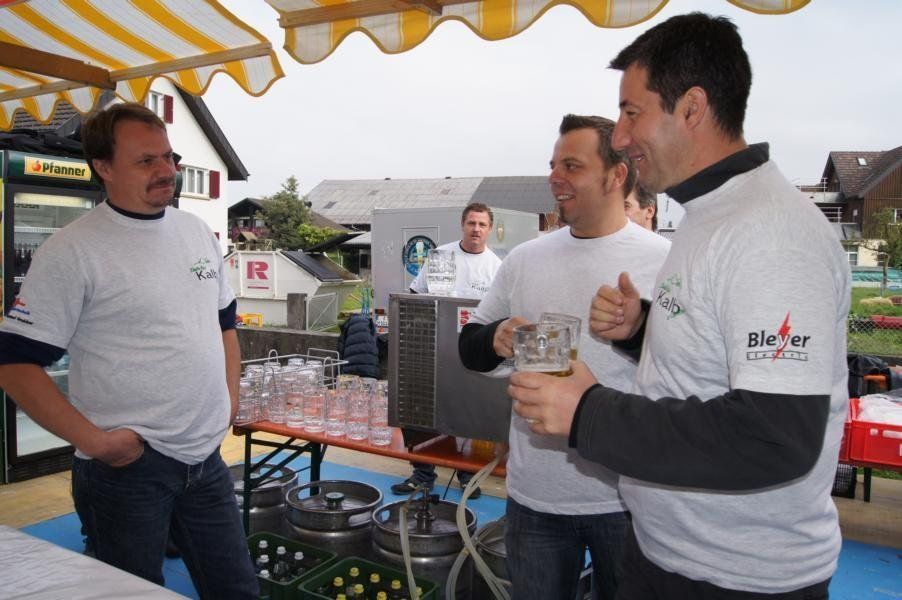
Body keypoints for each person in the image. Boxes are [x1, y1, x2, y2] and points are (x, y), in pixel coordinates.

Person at [508, 13, 850, 599]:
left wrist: (589, 412)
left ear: (691, 108)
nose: (620, 136)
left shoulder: (770, 233)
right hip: (667, 549)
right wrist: (642, 329)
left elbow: (775, 436)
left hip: (736, 577)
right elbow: (717, 359)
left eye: (631, 112)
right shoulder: (708, 214)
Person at [0, 103, 258, 599]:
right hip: (129, 470)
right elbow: (13, 362)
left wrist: (229, 400)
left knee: (237, 590)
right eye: (145, 161)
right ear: (104, 167)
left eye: (169, 157)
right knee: (130, 593)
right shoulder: (73, 250)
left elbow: (224, 323)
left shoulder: (195, 231)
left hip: (204, 458)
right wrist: (98, 444)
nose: (166, 171)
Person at [458, 115, 670, 600]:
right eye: (553, 165)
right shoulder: (525, 259)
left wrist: (638, 329)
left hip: (630, 498)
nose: (554, 177)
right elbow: (469, 347)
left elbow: (691, 367)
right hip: (536, 497)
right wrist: (495, 339)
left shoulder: (664, 260)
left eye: (572, 166)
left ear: (616, 175)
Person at [391, 202, 502, 498]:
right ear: (462, 225)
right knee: (423, 411)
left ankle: (467, 474)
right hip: (434, 349)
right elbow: (416, 295)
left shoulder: (496, 267)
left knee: (469, 413)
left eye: (482, 224)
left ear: (489, 229)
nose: (476, 229)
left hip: (473, 353)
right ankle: (422, 475)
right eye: (471, 223)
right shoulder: (441, 255)